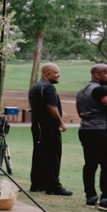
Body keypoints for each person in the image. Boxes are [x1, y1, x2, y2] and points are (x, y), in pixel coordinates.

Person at [76, 64, 107, 212]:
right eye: (106, 73)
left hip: (86, 130)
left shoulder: (82, 91)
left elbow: (80, 111)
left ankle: (91, 197)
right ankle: (106, 199)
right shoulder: (100, 90)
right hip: (102, 131)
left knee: (90, 164)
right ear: (96, 75)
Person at [28, 63, 72, 195]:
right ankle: (53, 186)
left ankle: (37, 183)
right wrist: (61, 123)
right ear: (47, 74)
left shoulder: (35, 87)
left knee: (40, 154)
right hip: (48, 126)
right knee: (53, 155)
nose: (59, 76)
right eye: (56, 73)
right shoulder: (48, 87)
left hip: (37, 126)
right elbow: (51, 107)